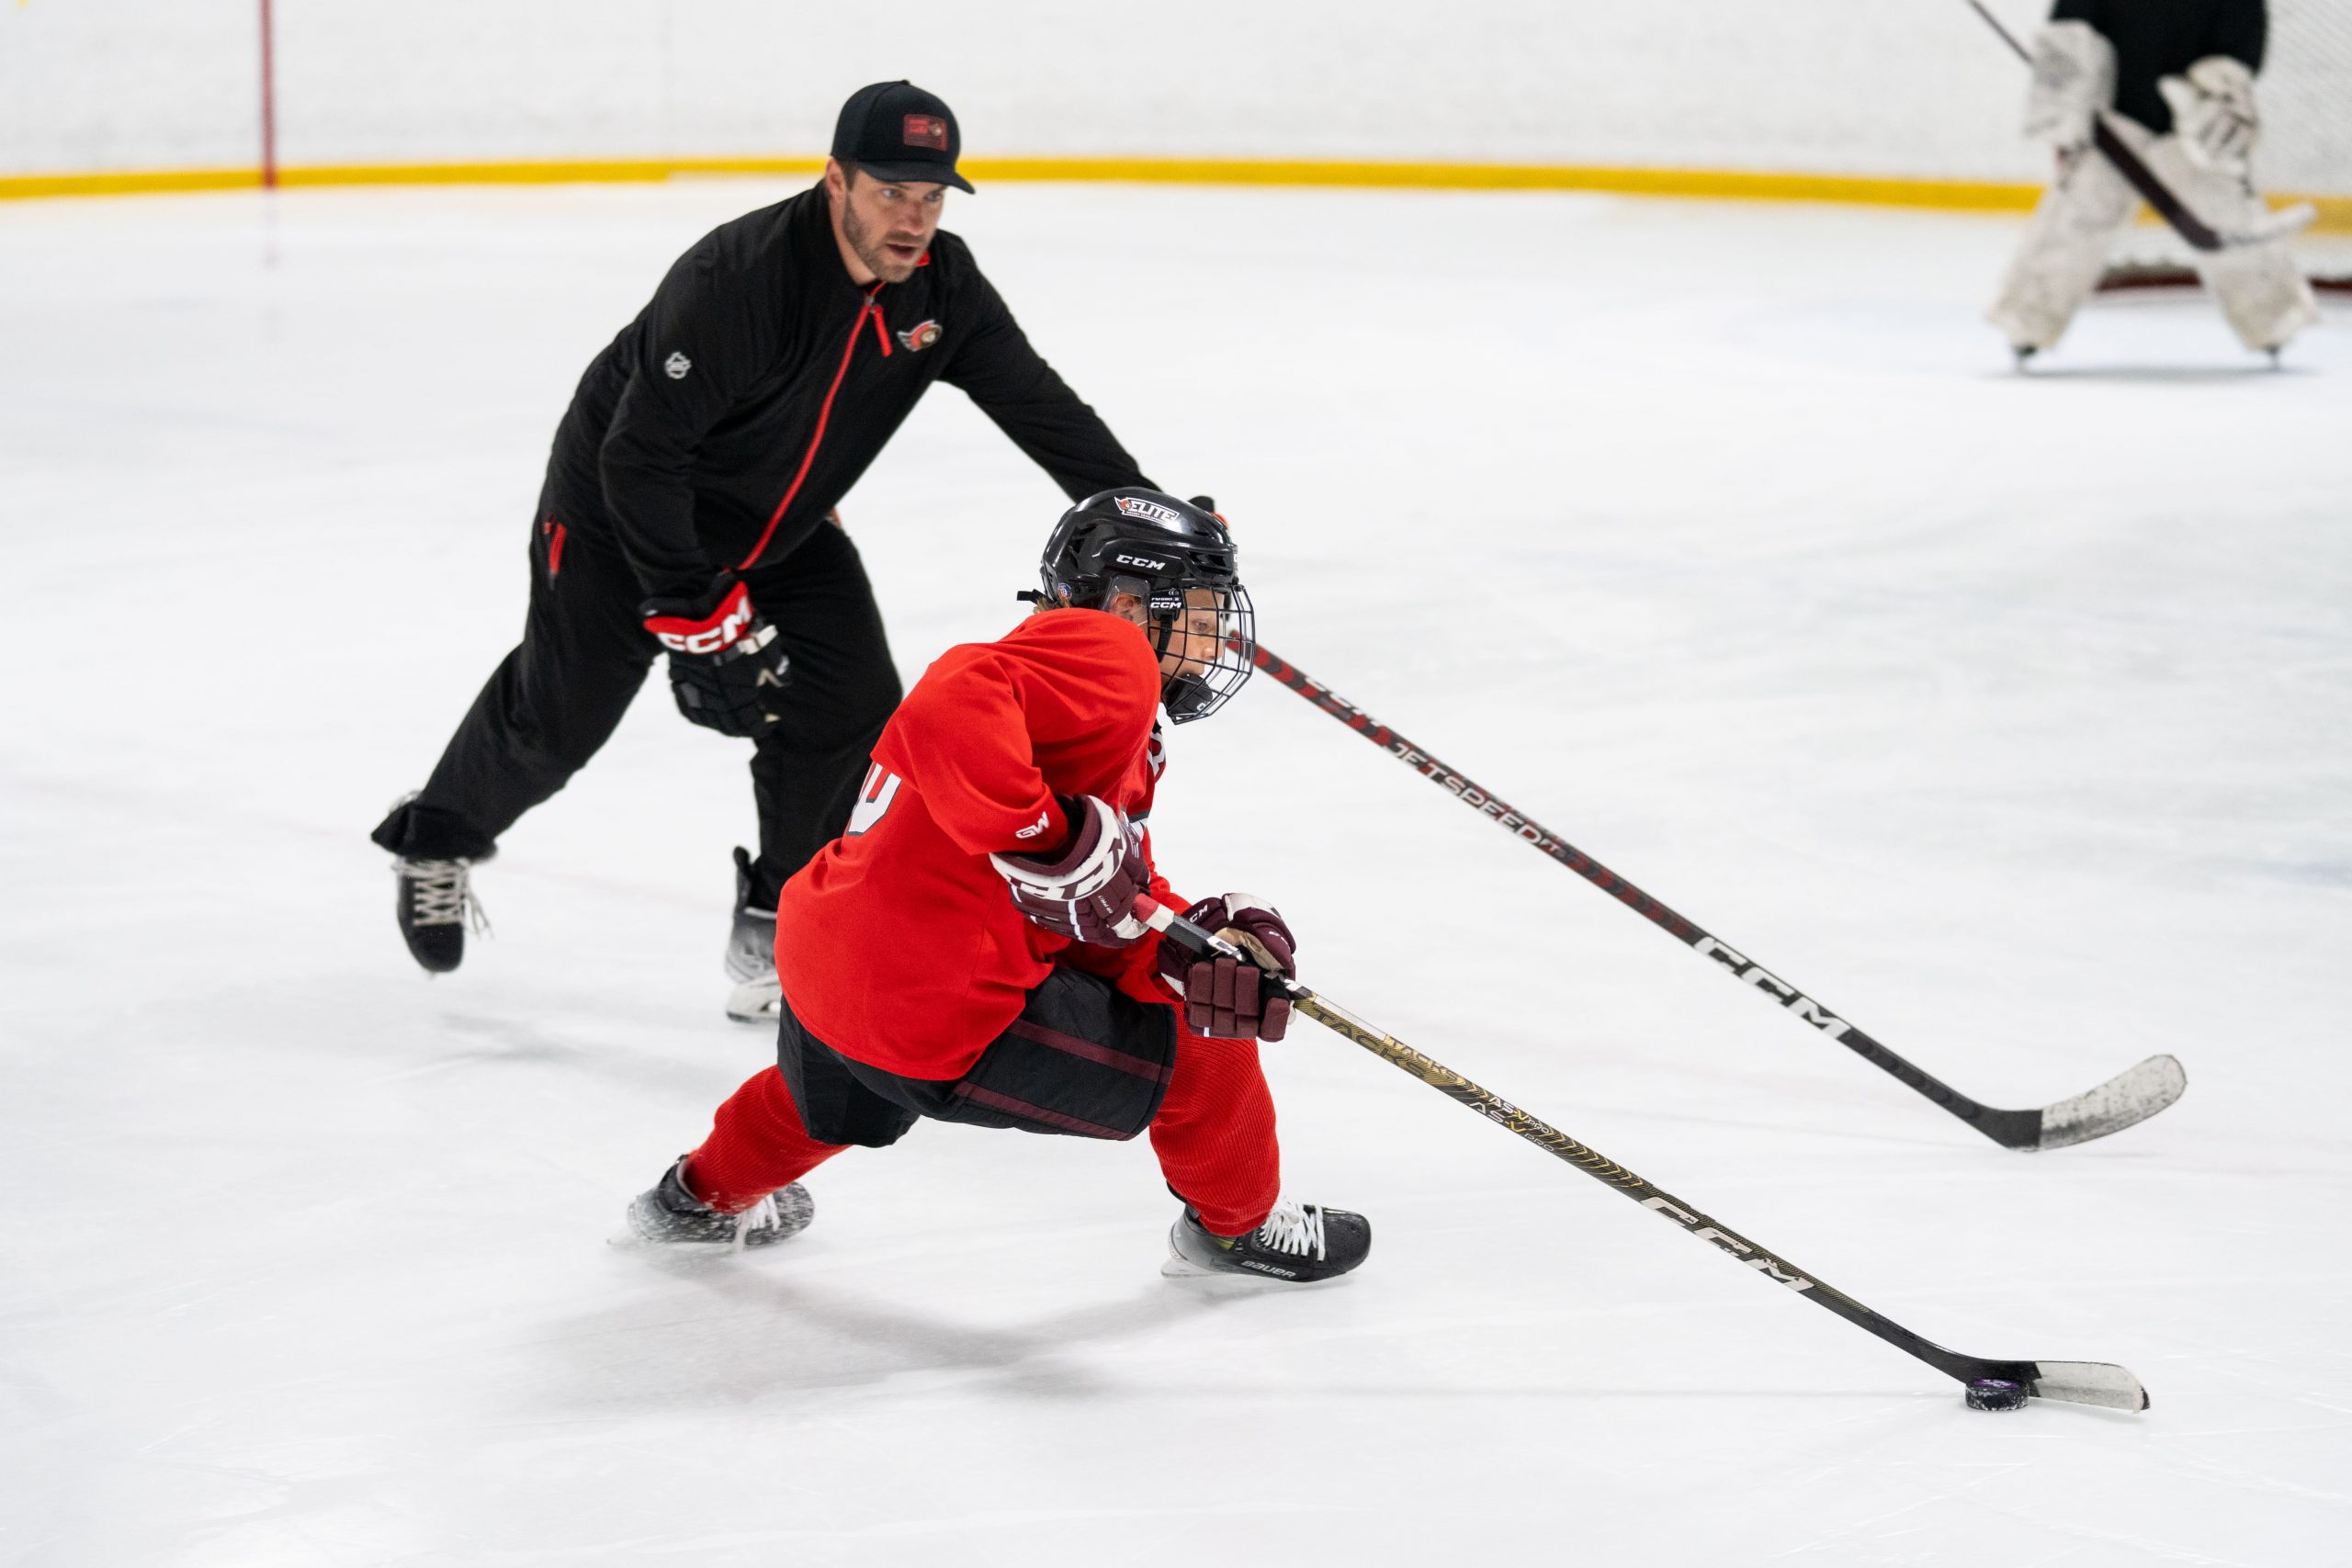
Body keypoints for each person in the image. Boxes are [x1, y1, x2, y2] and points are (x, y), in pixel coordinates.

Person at [371, 81, 1158, 1021]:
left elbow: (1035, 402)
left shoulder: (942, 285)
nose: (913, 220)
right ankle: (439, 835)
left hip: (778, 522)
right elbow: (640, 453)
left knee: (853, 701)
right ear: (835, 181)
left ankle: (777, 917)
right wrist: (692, 609)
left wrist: (1139, 516)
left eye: (932, 196)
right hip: (623, 513)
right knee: (562, 713)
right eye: (889, 193)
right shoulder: (738, 281)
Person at [621, 489, 1373, 1284]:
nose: (1218, 634)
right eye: (1198, 609)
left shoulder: (1074, 690)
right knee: (1201, 1031)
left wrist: (1190, 939)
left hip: (830, 952)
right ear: (1126, 602)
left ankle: (691, 1199)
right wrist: (1044, 837)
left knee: (831, 1094)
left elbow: (1084, 891)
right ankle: (1238, 1228)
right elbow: (956, 691)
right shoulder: (1108, 653)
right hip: (925, 1000)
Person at [1988, 0, 2319, 362]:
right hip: (2114, 119)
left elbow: (2241, 43)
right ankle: (2028, 323)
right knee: (2077, 217)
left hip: (2192, 121)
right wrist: (2064, 117)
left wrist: (2222, 90)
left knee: (2226, 214)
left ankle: (2274, 322)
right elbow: (2068, 31)